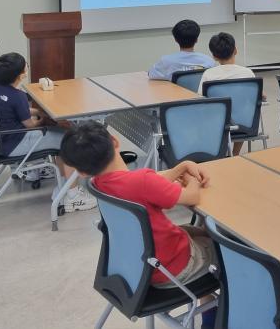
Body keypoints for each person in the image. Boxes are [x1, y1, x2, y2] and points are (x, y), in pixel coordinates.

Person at [59, 122, 217, 308]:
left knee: (203, 231)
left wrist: (181, 168)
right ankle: (212, 312)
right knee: (230, 248)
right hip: (176, 268)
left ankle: (207, 300)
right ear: (115, 141)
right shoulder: (141, 182)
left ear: (82, 172)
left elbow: (150, 185)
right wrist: (192, 180)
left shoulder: (97, 183)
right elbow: (192, 196)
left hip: (141, 267)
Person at [0, 52, 96, 211]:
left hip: (1, 140)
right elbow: (30, 125)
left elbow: (16, 110)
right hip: (16, 143)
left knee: (60, 134)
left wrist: (39, 113)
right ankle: (73, 196)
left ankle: (65, 186)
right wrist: (43, 120)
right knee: (69, 139)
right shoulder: (17, 96)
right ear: (21, 75)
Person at [198, 32, 257, 156]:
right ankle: (235, 153)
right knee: (243, 110)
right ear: (236, 50)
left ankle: (219, 152)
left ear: (214, 56)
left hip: (216, 124)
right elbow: (256, 96)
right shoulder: (247, 73)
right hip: (244, 125)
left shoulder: (209, 74)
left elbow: (200, 99)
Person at [147, 19, 215, 80]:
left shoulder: (166, 61)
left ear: (176, 40)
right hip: (199, 94)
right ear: (196, 40)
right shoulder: (208, 61)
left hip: (175, 94)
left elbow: (151, 74)